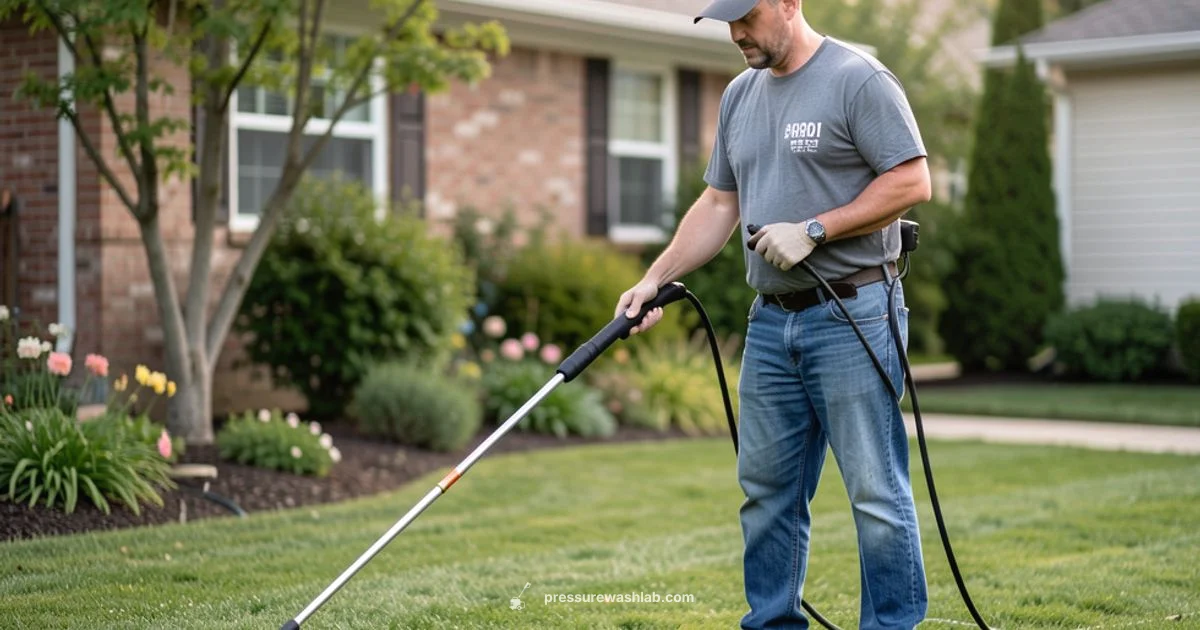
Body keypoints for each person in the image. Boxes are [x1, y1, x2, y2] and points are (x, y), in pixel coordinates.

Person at [613, 0, 933, 628]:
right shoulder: (740, 95)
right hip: (771, 323)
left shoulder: (857, 79)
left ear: (790, 3)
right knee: (766, 497)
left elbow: (912, 181)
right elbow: (717, 203)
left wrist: (815, 229)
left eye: (747, 16)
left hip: (854, 314)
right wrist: (654, 279)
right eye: (727, 21)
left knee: (874, 494)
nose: (736, 33)